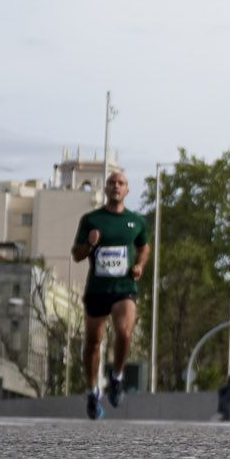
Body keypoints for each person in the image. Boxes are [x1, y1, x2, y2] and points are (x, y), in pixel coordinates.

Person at [72, 169, 150, 420]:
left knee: (125, 331)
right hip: (97, 289)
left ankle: (116, 377)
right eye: (111, 182)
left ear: (127, 190)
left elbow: (144, 247)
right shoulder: (91, 220)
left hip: (124, 288)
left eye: (121, 183)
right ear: (105, 189)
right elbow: (77, 254)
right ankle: (93, 391)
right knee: (93, 342)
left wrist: (139, 265)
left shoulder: (136, 221)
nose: (116, 186)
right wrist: (91, 243)